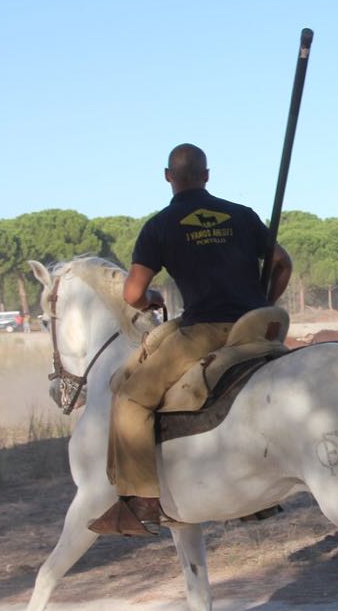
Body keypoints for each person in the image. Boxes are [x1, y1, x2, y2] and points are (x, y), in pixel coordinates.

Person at [88, 143, 292, 537]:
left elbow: (132, 295)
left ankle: (141, 500)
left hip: (206, 331)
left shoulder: (160, 226)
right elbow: (282, 262)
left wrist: (150, 299)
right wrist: (262, 303)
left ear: (168, 176)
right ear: (207, 175)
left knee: (131, 397)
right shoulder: (242, 215)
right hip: (258, 325)